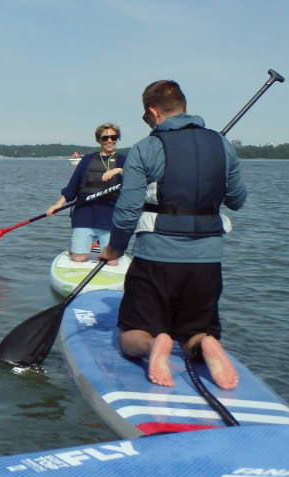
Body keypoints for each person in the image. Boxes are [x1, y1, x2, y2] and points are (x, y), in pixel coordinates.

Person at [99, 80, 247, 390]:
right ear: (185, 108)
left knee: (131, 335)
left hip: (156, 258)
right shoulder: (222, 145)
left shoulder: (146, 147)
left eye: (146, 117)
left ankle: (155, 345)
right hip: (207, 261)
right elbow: (237, 200)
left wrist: (114, 249)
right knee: (194, 330)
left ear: (153, 113)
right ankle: (205, 342)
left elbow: (127, 212)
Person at [47, 123, 125, 264]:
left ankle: (97, 245)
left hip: (109, 217)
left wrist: (119, 170)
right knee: (79, 258)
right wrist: (58, 204)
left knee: (112, 262)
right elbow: (72, 185)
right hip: (85, 214)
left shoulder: (123, 161)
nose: (109, 140)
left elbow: (136, 178)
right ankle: (79, 247)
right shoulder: (87, 160)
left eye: (113, 137)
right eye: (105, 137)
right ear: (99, 140)